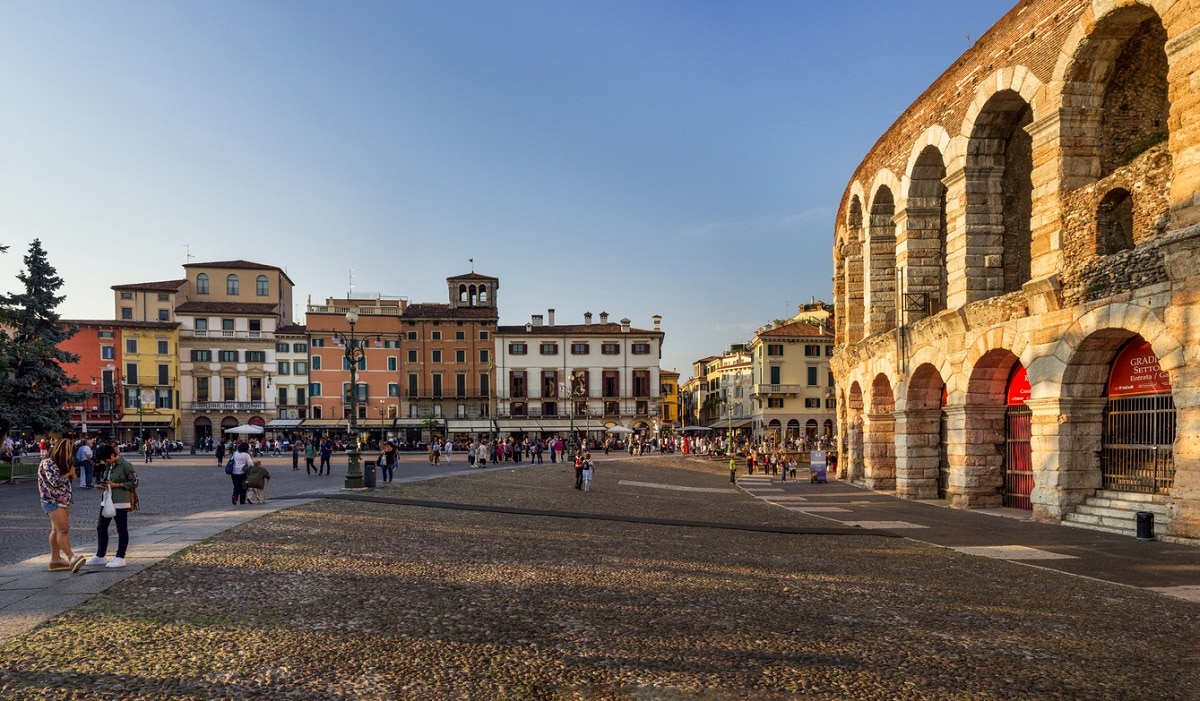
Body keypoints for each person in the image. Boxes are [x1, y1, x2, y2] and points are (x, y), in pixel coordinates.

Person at [84, 444, 137, 569]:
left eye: (107, 459)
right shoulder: (110, 465)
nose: (106, 462)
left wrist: (116, 485)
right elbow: (107, 480)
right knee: (101, 527)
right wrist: (103, 486)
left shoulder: (125, 464)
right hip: (107, 499)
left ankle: (120, 556)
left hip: (120, 500)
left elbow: (134, 482)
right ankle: (100, 555)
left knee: (121, 528)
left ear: (113, 455)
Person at [39, 439, 85, 572]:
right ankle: (71, 557)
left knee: (56, 530)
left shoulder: (58, 463)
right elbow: (55, 481)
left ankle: (56, 559)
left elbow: (68, 479)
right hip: (52, 500)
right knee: (63, 530)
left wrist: (71, 474)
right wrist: (68, 474)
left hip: (62, 500)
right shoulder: (48, 462)